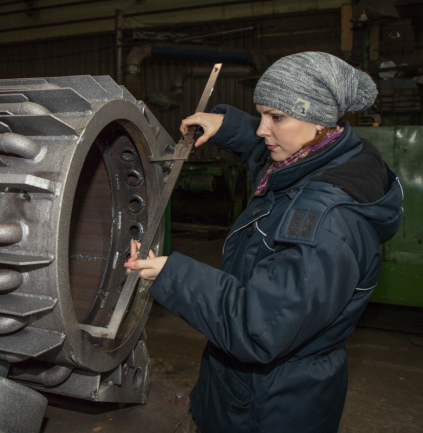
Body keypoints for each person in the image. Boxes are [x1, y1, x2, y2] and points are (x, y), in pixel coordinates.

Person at [124, 52, 403, 432]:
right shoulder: (317, 158)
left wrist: (172, 274)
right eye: (261, 115)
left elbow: (257, 327)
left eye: (276, 117)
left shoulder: (326, 227)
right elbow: (265, 158)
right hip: (246, 387)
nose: (261, 130)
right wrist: (227, 126)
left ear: (320, 120)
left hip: (271, 405)